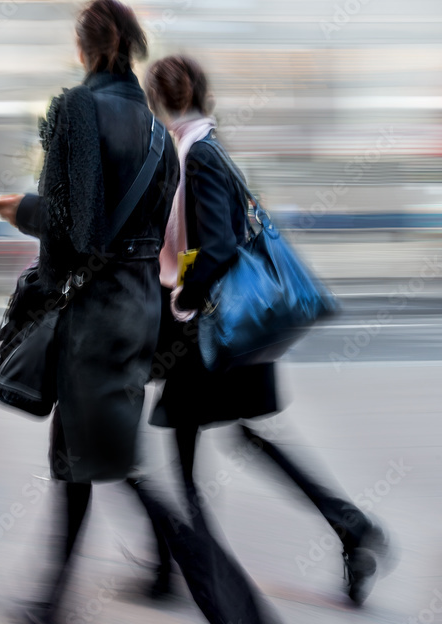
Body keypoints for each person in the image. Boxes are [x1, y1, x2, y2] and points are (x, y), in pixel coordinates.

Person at [143, 53, 392, 606]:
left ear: (158, 103)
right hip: (230, 326)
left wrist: (184, 292)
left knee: (183, 461)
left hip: (209, 330)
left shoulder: (197, 155)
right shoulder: (207, 146)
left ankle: (195, 578)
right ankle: (349, 525)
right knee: (242, 439)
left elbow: (217, 245)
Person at [0, 1, 179, 620]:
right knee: (87, 451)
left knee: (92, 456)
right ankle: (71, 593)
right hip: (140, 311)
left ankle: (181, 563)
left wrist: (23, 211)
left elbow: (77, 230)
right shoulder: (156, 131)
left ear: (84, 48)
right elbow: (147, 226)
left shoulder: (74, 109)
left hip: (93, 316)